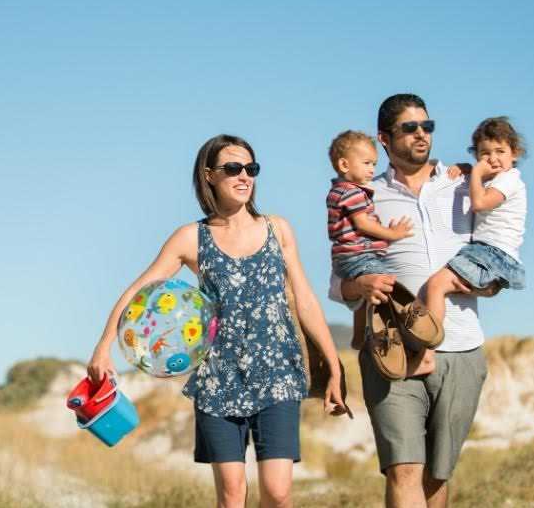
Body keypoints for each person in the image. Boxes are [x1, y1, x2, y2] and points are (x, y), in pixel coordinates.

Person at [89, 134, 345, 508]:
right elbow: (138, 292)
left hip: (278, 373)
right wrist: (103, 345)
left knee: (278, 492)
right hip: (218, 379)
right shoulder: (192, 237)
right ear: (209, 175)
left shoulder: (278, 228)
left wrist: (333, 366)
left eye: (251, 169)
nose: (244, 176)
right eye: (233, 168)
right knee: (231, 495)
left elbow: (304, 299)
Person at [330, 94, 489, 508]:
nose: (422, 134)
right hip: (391, 351)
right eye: (410, 127)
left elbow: (497, 257)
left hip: (462, 348)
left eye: (427, 126)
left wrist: (486, 285)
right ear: (384, 138)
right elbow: (341, 284)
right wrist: (361, 287)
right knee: (403, 469)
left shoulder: (463, 185)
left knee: (437, 477)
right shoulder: (365, 196)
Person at [425, 117, 527, 325]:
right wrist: (470, 171)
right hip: (490, 254)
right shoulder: (493, 179)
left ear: (514, 153)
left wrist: (476, 173)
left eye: (500, 151)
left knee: (436, 285)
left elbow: (480, 203)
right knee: (442, 285)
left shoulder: (510, 179)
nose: (492, 158)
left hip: (493, 253)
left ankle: (427, 346)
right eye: (485, 153)